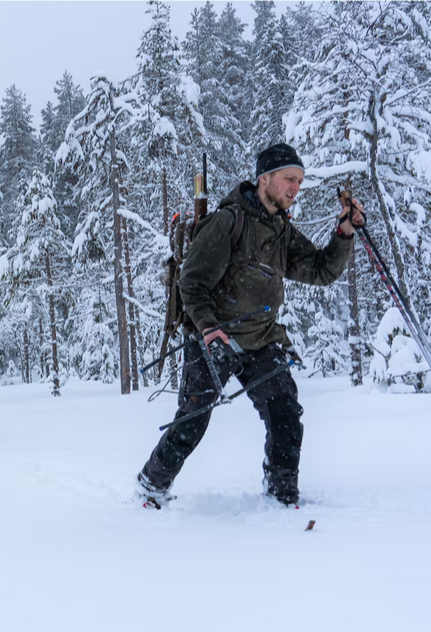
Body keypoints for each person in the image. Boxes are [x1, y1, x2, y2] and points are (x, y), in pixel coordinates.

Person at [136, 143, 365, 508]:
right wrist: (209, 328)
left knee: (285, 412)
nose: (295, 188)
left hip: (261, 339)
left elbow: (321, 270)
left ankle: (281, 496)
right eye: (289, 179)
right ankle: (151, 488)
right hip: (214, 338)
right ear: (265, 179)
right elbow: (191, 284)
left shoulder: (281, 231)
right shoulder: (229, 222)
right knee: (193, 420)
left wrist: (345, 233)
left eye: (300, 181)